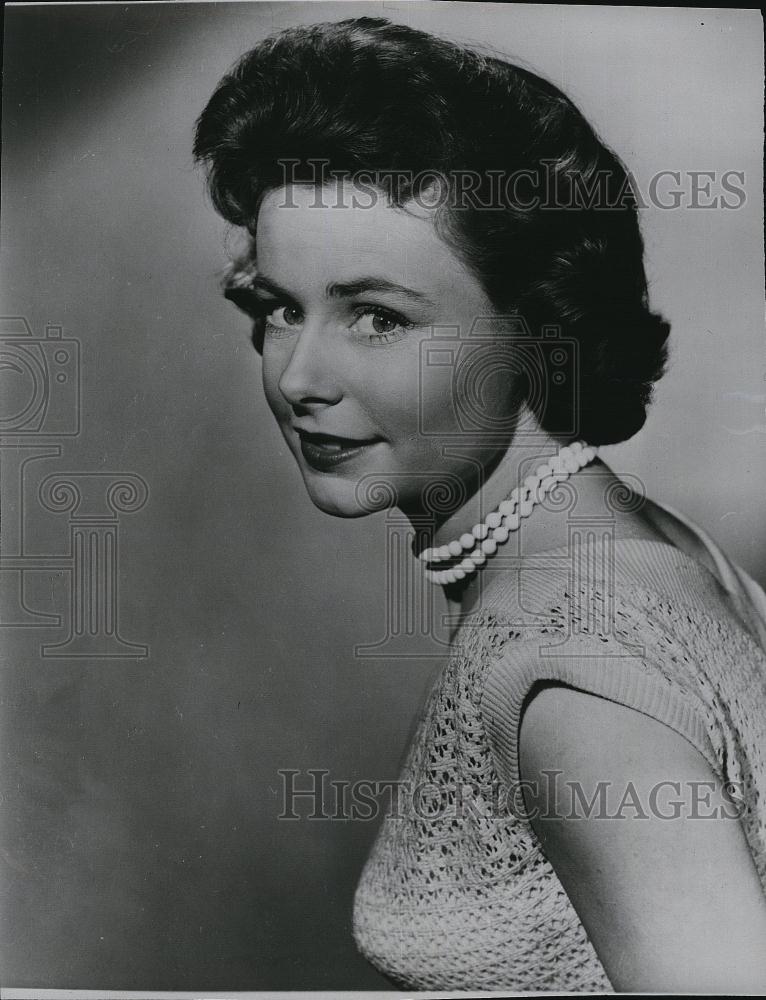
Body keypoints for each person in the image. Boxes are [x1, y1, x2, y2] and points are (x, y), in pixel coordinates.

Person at [193, 16, 766, 993]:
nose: (297, 375)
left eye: (376, 315)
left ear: (536, 325)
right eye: (281, 306)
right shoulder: (623, 538)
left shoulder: (568, 689)